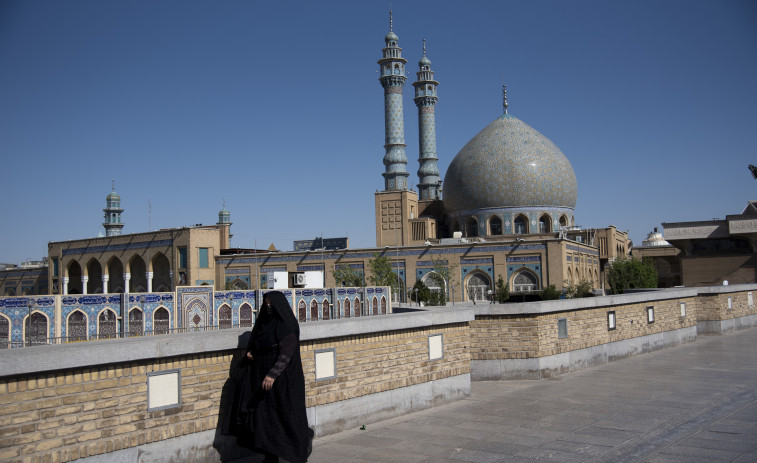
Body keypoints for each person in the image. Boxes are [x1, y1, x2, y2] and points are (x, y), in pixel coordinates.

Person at [236, 291, 313, 462]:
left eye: (271, 303)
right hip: (261, 383)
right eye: (266, 303)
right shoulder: (264, 325)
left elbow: (286, 352)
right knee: (265, 420)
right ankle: (270, 455)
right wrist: (251, 354)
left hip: (282, 383)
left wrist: (272, 375)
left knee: (286, 418)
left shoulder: (285, 325)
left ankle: (296, 453)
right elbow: (260, 344)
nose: (268, 306)